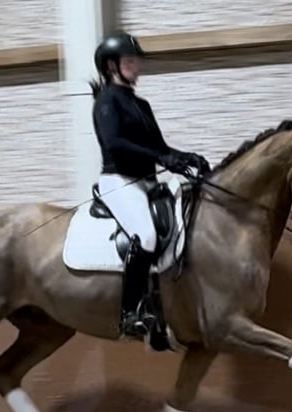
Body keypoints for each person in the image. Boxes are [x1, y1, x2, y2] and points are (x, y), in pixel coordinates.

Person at [90, 31, 211, 338]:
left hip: (146, 182)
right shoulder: (106, 102)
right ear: (111, 66)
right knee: (144, 235)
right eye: (129, 60)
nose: (136, 66)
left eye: (136, 60)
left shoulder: (140, 105)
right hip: (119, 181)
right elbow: (115, 143)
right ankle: (129, 313)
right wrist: (163, 158)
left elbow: (159, 146)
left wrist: (183, 157)